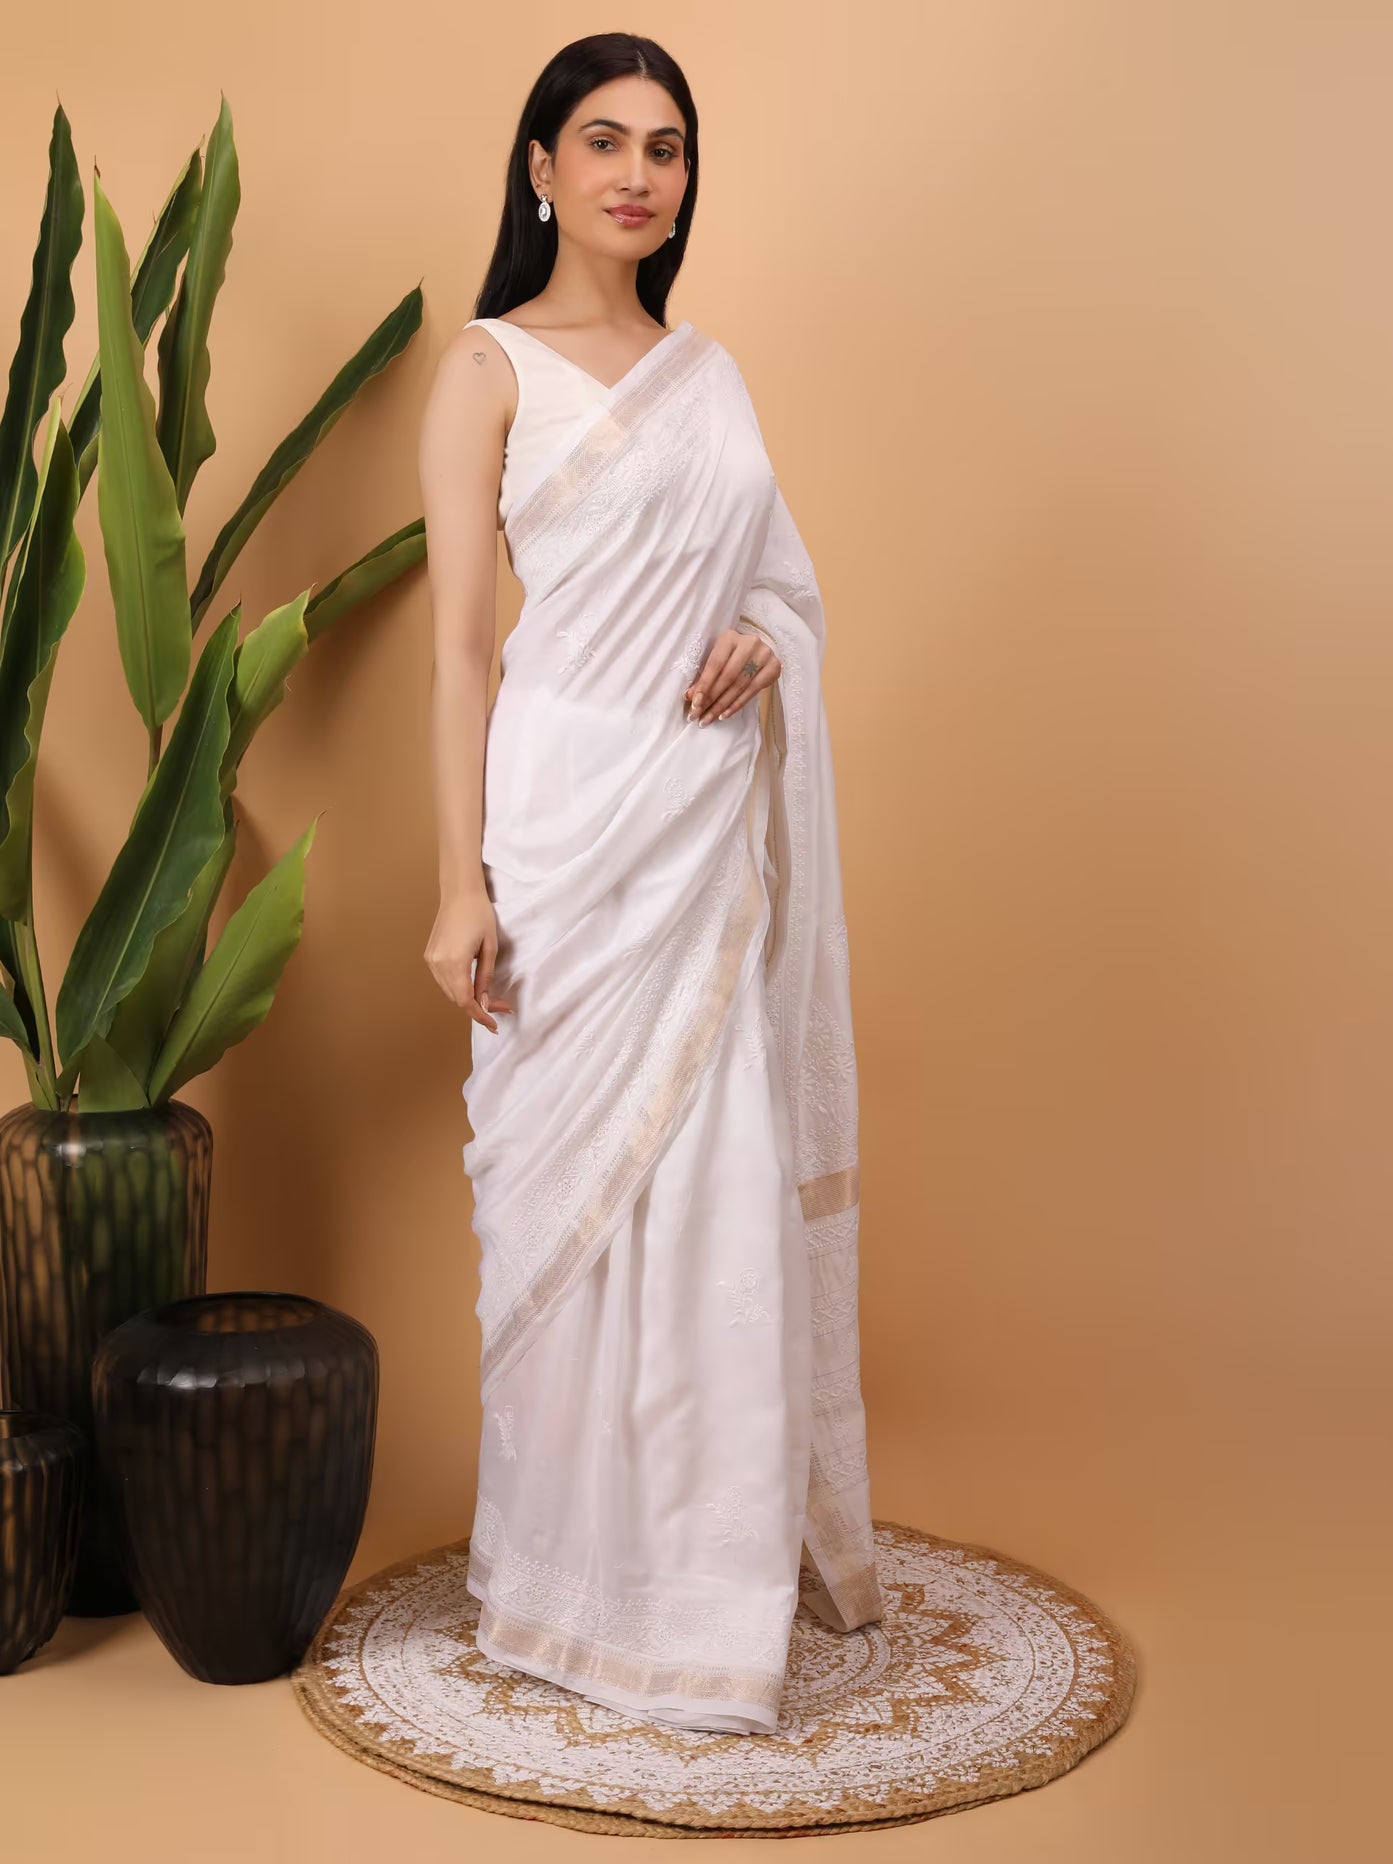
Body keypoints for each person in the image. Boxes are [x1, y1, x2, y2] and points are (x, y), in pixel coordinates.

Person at [418, 32, 882, 1736]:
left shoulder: (710, 374)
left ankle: (701, 1606)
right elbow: (462, 648)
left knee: (710, 1202)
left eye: (665, 147)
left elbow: (779, 587)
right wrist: (457, 884)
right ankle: (562, 1582)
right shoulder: (486, 368)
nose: (635, 173)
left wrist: (763, 637)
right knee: (567, 1211)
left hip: (698, 832)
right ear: (540, 168)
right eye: (602, 141)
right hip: (564, 828)